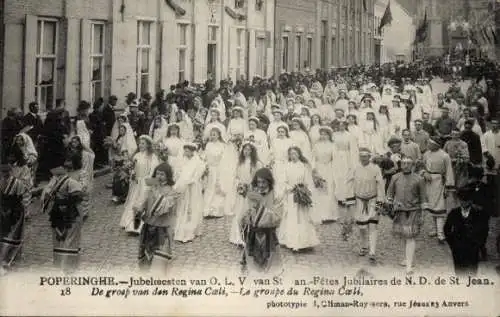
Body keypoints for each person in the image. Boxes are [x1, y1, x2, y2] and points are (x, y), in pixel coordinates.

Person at [386, 157, 428, 275]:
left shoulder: (419, 179)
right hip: (400, 211)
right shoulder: (395, 177)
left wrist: (423, 214)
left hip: (414, 211)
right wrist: (389, 207)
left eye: (408, 163)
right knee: (404, 235)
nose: (406, 165)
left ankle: (409, 266)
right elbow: (389, 194)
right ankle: (408, 258)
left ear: (413, 165)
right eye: (403, 163)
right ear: (400, 164)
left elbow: (423, 197)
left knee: (410, 236)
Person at [133, 163, 178, 271]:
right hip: (149, 224)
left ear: (168, 176)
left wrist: (156, 190)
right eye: (157, 173)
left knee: (160, 254)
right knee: (146, 249)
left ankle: (159, 275)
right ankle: (145, 270)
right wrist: (139, 209)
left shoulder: (171, 190)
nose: (159, 176)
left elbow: (163, 207)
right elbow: (144, 199)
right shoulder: (151, 186)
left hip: (162, 227)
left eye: (162, 174)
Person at [41, 165, 84, 273]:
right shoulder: (71, 182)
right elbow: (80, 196)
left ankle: (62, 265)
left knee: (61, 239)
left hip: (58, 213)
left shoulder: (53, 184)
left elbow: (45, 199)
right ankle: (68, 266)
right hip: (69, 213)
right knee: (69, 238)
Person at [240, 167, 284, 272]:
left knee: (271, 267)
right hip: (253, 235)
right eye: (259, 182)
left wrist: (261, 211)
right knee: (252, 268)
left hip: (269, 235)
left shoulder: (276, 195)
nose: (261, 185)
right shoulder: (252, 194)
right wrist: (247, 218)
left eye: (263, 182)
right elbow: (245, 214)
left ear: (269, 181)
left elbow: (278, 217)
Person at [278, 146, 319, 251]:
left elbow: (308, 181)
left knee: (302, 217)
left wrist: (305, 190)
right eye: (291, 154)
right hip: (291, 195)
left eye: (295, 153)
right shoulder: (286, 166)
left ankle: (304, 242)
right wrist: (291, 188)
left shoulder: (303, 166)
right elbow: (282, 181)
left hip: (301, 195)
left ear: (299, 154)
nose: (293, 156)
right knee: (291, 217)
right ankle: (291, 241)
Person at [444, 186, 489, 277]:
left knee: (472, 273)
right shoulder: (454, 213)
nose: (463, 203)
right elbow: (446, 229)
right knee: (459, 272)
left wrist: (479, 244)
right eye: (461, 200)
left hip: (473, 248)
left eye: (466, 200)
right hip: (458, 249)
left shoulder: (478, 214)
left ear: (471, 201)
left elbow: (484, 230)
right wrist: (452, 244)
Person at [120, 135, 160, 234]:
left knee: (143, 202)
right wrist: (132, 173)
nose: (140, 145)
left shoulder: (152, 156)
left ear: (148, 145)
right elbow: (134, 169)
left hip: (146, 182)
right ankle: (130, 223)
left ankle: (139, 226)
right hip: (137, 183)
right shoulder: (136, 155)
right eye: (140, 143)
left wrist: (149, 184)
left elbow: (153, 171)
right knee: (134, 201)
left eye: (143, 143)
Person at [0, 149, 31, 275]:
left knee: (13, 235)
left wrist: (25, 209)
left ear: (10, 171)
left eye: (6, 171)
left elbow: (25, 194)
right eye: (2, 172)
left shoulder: (17, 182)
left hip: (15, 211)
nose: (4, 174)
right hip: (2, 210)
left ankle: (9, 259)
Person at [353, 148, 385, 264]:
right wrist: (350, 199)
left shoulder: (375, 169)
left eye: (365, 156)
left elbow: (381, 186)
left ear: (369, 157)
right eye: (361, 156)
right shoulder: (355, 168)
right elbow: (350, 183)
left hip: (372, 200)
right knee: (362, 227)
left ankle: (372, 251)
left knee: (372, 226)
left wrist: (380, 203)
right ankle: (364, 245)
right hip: (360, 200)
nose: (363, 158)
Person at [421, 137, 455, 244]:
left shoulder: (445, 156)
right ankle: (435, 229)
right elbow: (421, 166)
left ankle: (440, 234)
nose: (429, 145)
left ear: (437, 145)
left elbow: (449, 171)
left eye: (431, 143)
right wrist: (424, 173)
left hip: (439, 182)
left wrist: (448, 186)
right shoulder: (426, 154)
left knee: (439, 207)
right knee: (431, 207)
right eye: (428, 143)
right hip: (428, 181)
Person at [229, 142, 262, 246]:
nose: (246, 152)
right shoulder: (240, 163)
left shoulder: (256, 163)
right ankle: (238, 236)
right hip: (242, 191)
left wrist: (253, 186)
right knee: (240, 212)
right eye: (245, 149)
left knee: (251, 212)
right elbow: (236, 176)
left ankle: (251, 236)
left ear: (252, 152)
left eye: (249, 150)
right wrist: (240, 185)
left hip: (252, 190)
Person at [173, 143, 206, 242]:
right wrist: (179, 179)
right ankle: (181, 226)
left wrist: (190, 181)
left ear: (192, 151)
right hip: (183, 186)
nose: (185, 152)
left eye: (187, 151)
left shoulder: (198, 162)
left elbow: (197, 175)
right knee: (182, 206)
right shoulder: (183, 161)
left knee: (192, 206)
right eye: (185, 150)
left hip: (193, 187)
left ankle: (191, 228)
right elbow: (178, 172)